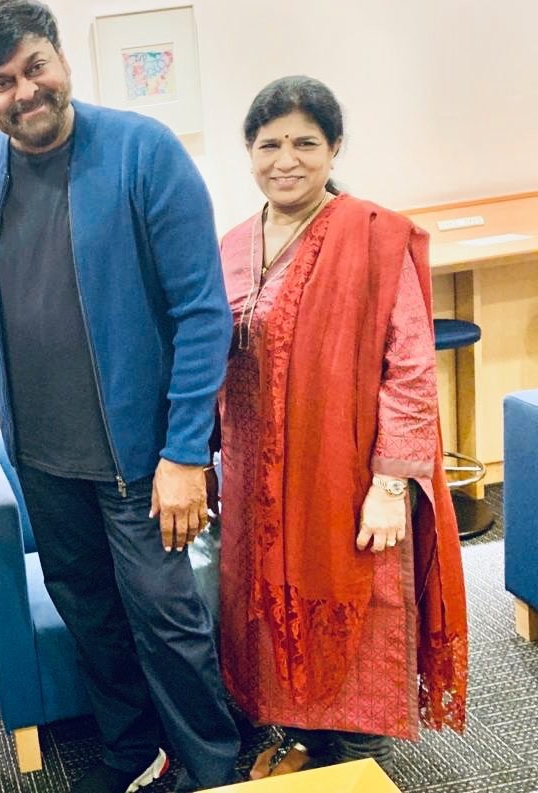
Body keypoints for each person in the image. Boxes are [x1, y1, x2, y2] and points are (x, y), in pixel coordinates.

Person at [0, 2, 240, 791]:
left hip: (141, 459)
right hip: (44, 460)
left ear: (61, 58)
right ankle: (132, 751)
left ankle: (213, 765)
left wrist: (185, 451)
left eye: (34, 67)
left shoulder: (143, 152)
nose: (24, 91)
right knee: (88, 613)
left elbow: (203, 312)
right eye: (0, 81)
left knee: (167, 620)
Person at [214, 75, 468, 779]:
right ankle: (301, 737)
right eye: (270, 144)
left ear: (335, 149)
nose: (285, 160)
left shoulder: (374, 235)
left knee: (354, 601)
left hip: (347, 471)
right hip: (257, 475)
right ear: (249, 151)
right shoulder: (233, 244)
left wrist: (390, 485)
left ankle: (357, 758)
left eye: (305, 143)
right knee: (270, 607)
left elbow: (410, 366)